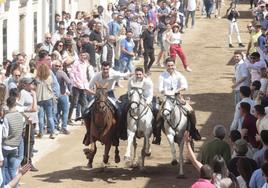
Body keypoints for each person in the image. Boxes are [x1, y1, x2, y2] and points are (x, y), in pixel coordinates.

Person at [157, 57, 200, 142]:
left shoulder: (179, 75)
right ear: (166, 66)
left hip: (178, 97)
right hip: (166, 98)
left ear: (174, 65)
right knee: (158, 116)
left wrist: (176, 91)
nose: (170, 67)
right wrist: (167, 92)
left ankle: (193, 131)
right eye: (168, 65)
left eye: (172, 65)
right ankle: (157, 136)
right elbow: (160, 88)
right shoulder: (162, 75)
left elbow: (185, 86)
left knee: (191, 111)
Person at [17, 77, 39, 171]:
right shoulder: (23, 93)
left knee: (31, 141)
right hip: (27, 122)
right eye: (30, 83)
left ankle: (27, 161)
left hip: (32, 120)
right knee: (28, 142)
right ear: (25, 84)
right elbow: (20, 107)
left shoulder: (31, 92)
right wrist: (26, 118)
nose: (33, 85)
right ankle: (27, 162)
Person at [2, 96, 25, 186]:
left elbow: (5, 134)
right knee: (12, 169)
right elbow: (22, 128)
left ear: (7, 105)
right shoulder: (20, 116)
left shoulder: (7, 117)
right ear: (15, 104)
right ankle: (16, 186)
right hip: (15, 146)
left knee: (4, 169)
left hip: (6, 146)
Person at [35, 63, 56, 139]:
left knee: (40, 117)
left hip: (40, 99)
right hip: (48, 98)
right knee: (50, 116)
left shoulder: (37, 79)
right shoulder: (50, 78)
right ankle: (52, 133)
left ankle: (41, 132)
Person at [53, 60, 72, 134]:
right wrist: (69, 91)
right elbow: (69, 82)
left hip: (55, 95)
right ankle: (63, 127)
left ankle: (56, 126)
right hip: (62, 94)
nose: (58, 67)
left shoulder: (51, 73)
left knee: (56, 112)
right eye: (56, 66)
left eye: (59, 66)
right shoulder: (61, 73)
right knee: (65, 111)